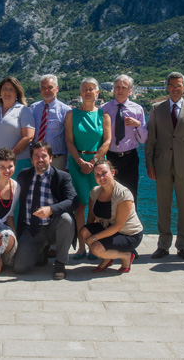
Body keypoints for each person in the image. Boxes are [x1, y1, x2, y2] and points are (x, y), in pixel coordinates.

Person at [145, 72, 184, 261]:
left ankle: (183, 246)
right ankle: (163, 245)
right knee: (163, 207)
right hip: (161, 165)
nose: (175, 88)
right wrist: (149, 164)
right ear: (167, 87)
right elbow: (151, 140)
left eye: (179, 85)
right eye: (172, 85)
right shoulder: (156, 108)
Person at [13, 141, 77, 279]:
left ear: (51, 158)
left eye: (44, 156)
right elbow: (9, 190)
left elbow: (73, 201)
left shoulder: (62, 177)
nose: (40, 159)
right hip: (32, 229)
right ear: (31, 159)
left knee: (66, 219)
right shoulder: (24, 175)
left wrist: (52, 209)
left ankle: (60, 263)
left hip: (53, 226)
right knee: (19, 267)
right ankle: (41, 252)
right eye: (36, 156)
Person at [65, 77, 111, 260]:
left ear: (98, 92)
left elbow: (107, 141)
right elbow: (69, 141)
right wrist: (80, 161)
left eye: (92, 89)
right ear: (80, 92)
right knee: (80, 206)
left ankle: (93, 245)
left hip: (98, 165)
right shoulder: (71, 115)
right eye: (85, 89)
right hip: (77, 164)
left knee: (95, 207)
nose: (88, 92)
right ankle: (81, 247)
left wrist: (93, 161)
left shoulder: (104, 116)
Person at [79, 160, 143, 273]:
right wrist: (87, 233)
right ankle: (107, 258)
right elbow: (91, 219)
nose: (101, 177)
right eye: (97, 175)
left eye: (104, 173)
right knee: (84, 232)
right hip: (108, 228)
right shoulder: (95, 192)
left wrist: (94, 238)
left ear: (112, 172)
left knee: (96, 248)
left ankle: (126, 256)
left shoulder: (123, 194)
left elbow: (118, 226)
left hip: (128, 234)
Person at [101, 74, 147, 204]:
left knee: (130, 196)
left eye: (124, 87)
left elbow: (143, 139)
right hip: (109, 157)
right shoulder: (104, 109)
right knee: (108, 195)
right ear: (114, 89)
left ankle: (130, 224)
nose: (120, 90)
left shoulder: (137, 110)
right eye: (117, 87)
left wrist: (137, 125)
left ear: (130, 90)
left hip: (129, 158)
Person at [0, 76, 35, 178]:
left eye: (11, 89)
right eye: (4, 89)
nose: (7, 92)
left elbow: (28, 136)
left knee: (17, 192)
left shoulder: (23, 110)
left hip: (18, 162)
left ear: (17, 93)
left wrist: (9, 156)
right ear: (0, 92)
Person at [30, 75, 72, 171]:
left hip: (57, 160)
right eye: (43, 88)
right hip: (37, 160)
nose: (46, 91)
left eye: (50, 87)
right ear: (40, 90)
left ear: (57, 88)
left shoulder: (66, 110)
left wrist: (68, 165)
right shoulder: (33, 108)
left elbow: (70, 139)